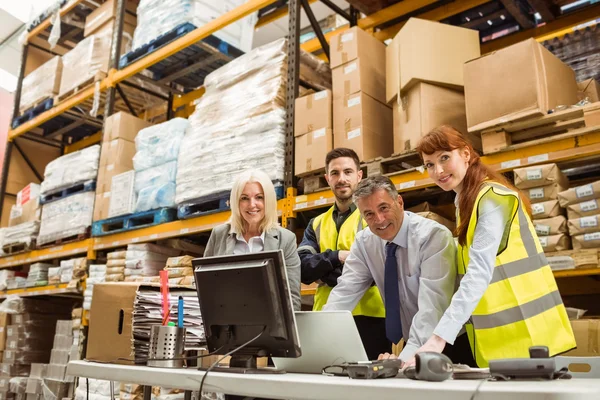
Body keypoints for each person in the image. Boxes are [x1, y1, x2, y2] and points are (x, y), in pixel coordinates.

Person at [414, 125, 576, 368]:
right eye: (429, 164)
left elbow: (478, 273)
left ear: (466, 154)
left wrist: (439, 338)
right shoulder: (466, 201)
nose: (438, 170)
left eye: (444, 158)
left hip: (529, 338)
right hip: (504, 341)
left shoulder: (490, 199)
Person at [322, 175, 474, 365]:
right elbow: (344, 293)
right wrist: (320, 339)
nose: (379, 219)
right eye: (368, 214)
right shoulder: (364, 243)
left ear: (399, 202)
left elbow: (431, 311)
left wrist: (401, 362)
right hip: (412, 341)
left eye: (383, 208)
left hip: (448, 341)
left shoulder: (432, 237)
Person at [298, 148, 388, 360]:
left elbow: (376, 267)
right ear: (327, 178)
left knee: (366, 389)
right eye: (335, 173)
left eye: (348, 172)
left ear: (359, 175)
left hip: (370, 317)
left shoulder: (373, 218)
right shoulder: (316, 223)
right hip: (327, 318)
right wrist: (337, 256)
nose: (342, 179)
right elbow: (302, 268)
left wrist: (324, 273)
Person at [204, 169, 301, 311]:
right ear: (236, 202)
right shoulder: (219, 235)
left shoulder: (286, 239)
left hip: (270, 325)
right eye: (244, 198)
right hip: (227, 324)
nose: (252, 204)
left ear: (268, 200)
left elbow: (292, 297)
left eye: (259, 197)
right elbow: (205, 286)